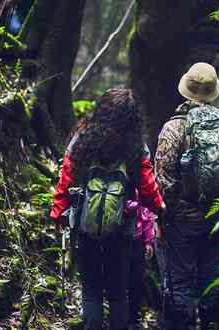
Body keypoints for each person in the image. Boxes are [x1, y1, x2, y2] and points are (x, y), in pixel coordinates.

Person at [50, 87, 164, 330]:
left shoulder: (83, 137)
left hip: (84, 225)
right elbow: (147, 189)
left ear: (102, 110)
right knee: (118, 293)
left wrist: (58, 211)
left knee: (91, 290)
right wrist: (160, 207)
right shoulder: (135, 147)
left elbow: (66, 177)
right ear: (133, 119)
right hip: (122, 229)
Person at [155, 62, 219, 330]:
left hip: (182, 221)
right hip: (217, 217)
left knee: (181, 284)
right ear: (213, 91)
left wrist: (167, 214)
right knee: (213, 280)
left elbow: (162, 178)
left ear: (186, 90)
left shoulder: (173, 128)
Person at [125, 196, 156, 330]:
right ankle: (132, 318)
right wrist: (148, 240)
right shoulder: (139, 181)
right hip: (137, 238)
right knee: (135, 280)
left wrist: (148, 242)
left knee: (129, 280)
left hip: (117, 237)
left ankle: (124, 317)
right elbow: (147, 213)